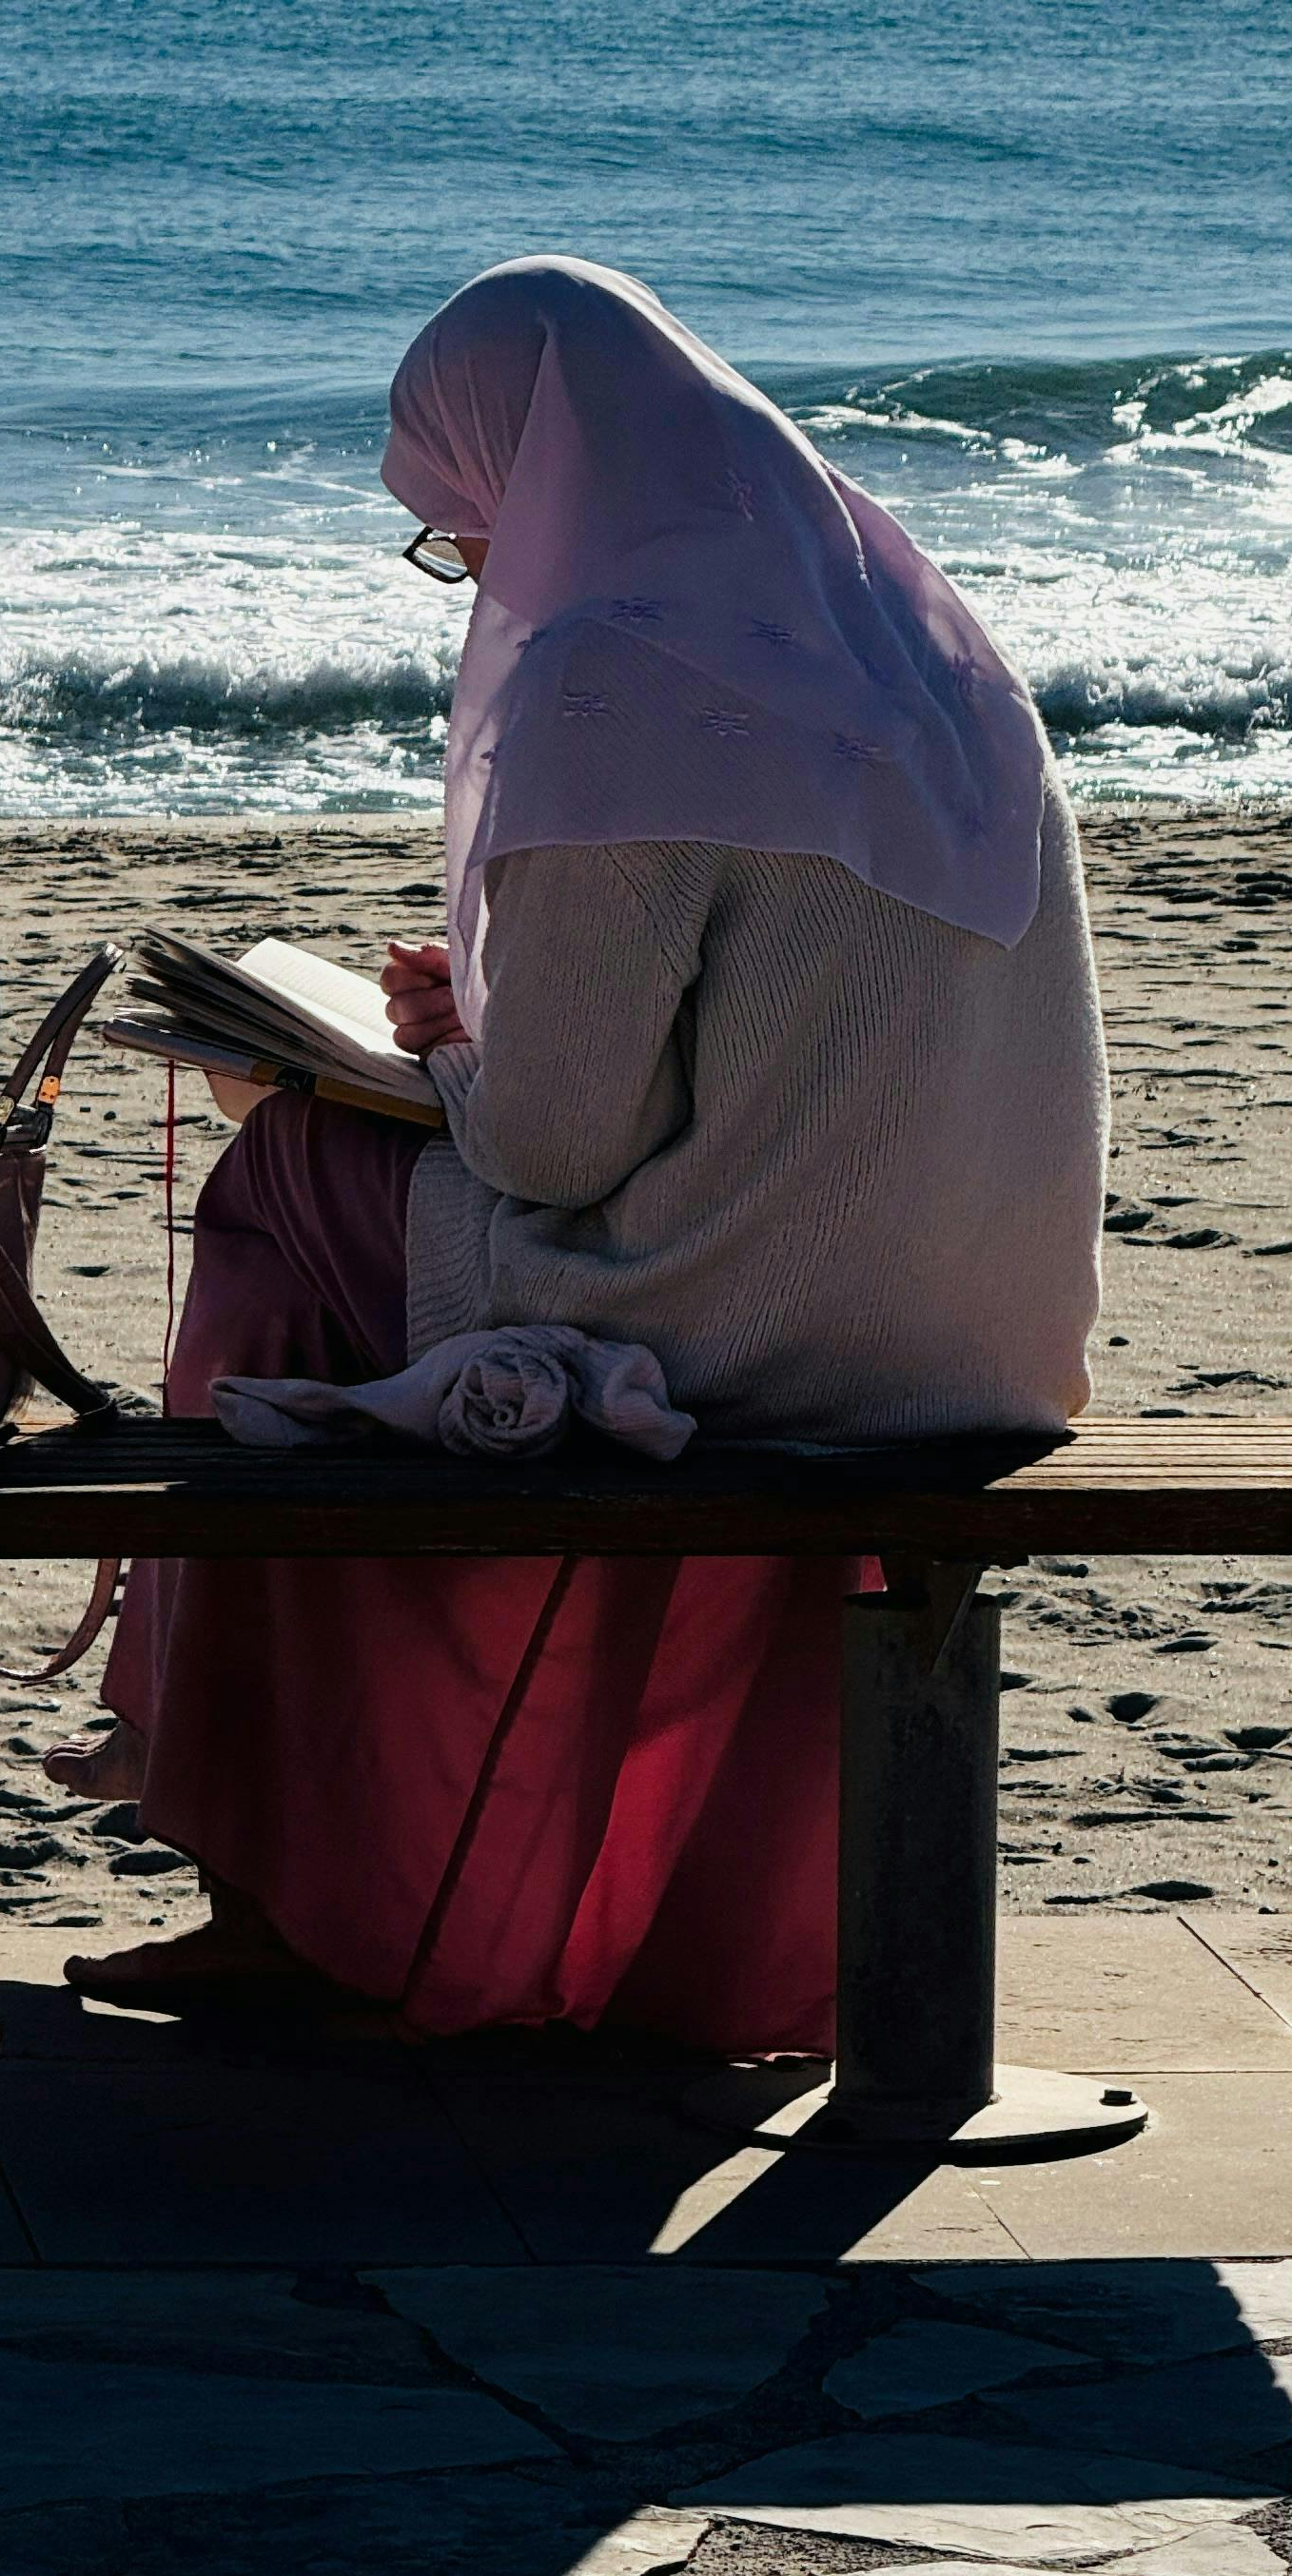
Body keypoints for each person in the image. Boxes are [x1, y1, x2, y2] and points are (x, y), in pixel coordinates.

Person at [64, 256, 1107, 2055]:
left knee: (280, 1196)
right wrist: (481, 1017)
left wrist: (367, 1072)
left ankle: (267, 1869)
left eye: (458, 524)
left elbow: (555, 1151)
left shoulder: (608, 679)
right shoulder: (914, 648)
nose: (464, 567)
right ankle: (458, 1886)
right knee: (344, 1208)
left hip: (751, 1309)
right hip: (981, 1330)